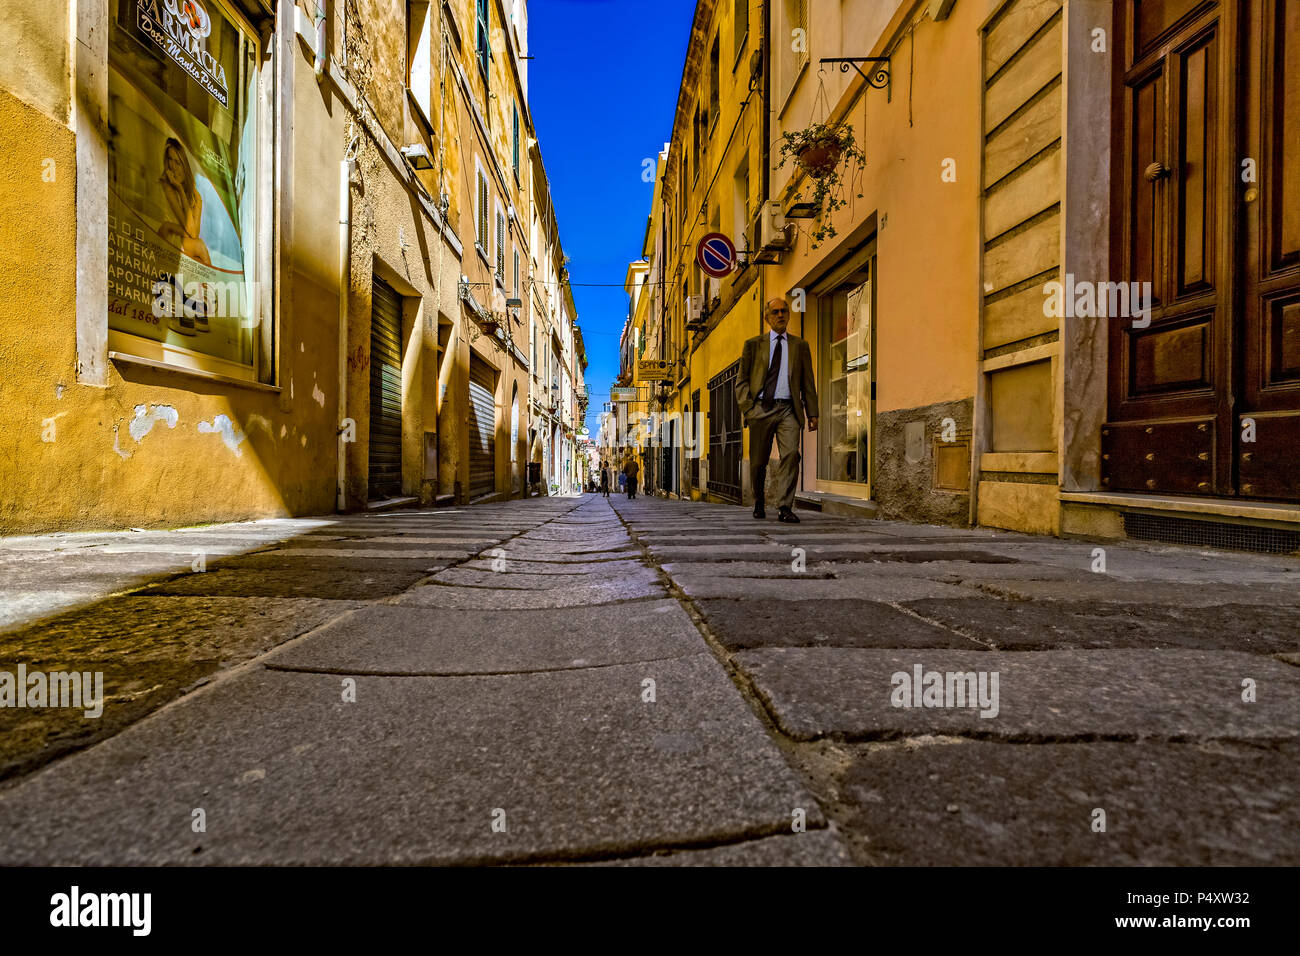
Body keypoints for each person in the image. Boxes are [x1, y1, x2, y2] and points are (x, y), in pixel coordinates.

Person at [735, 297, 819, 523]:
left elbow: (807, 382)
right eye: (775, 312)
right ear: (767, 318)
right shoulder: (753, 345)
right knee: (758, 463)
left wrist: (813, 412)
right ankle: (759, 500)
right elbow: (741, 381)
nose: (780, 315)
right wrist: (749, 409)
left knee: (791, 454)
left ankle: (784, 507)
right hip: (760, 409)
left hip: (788, 409)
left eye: (784, 311)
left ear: (788, 315)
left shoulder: (800, 346)